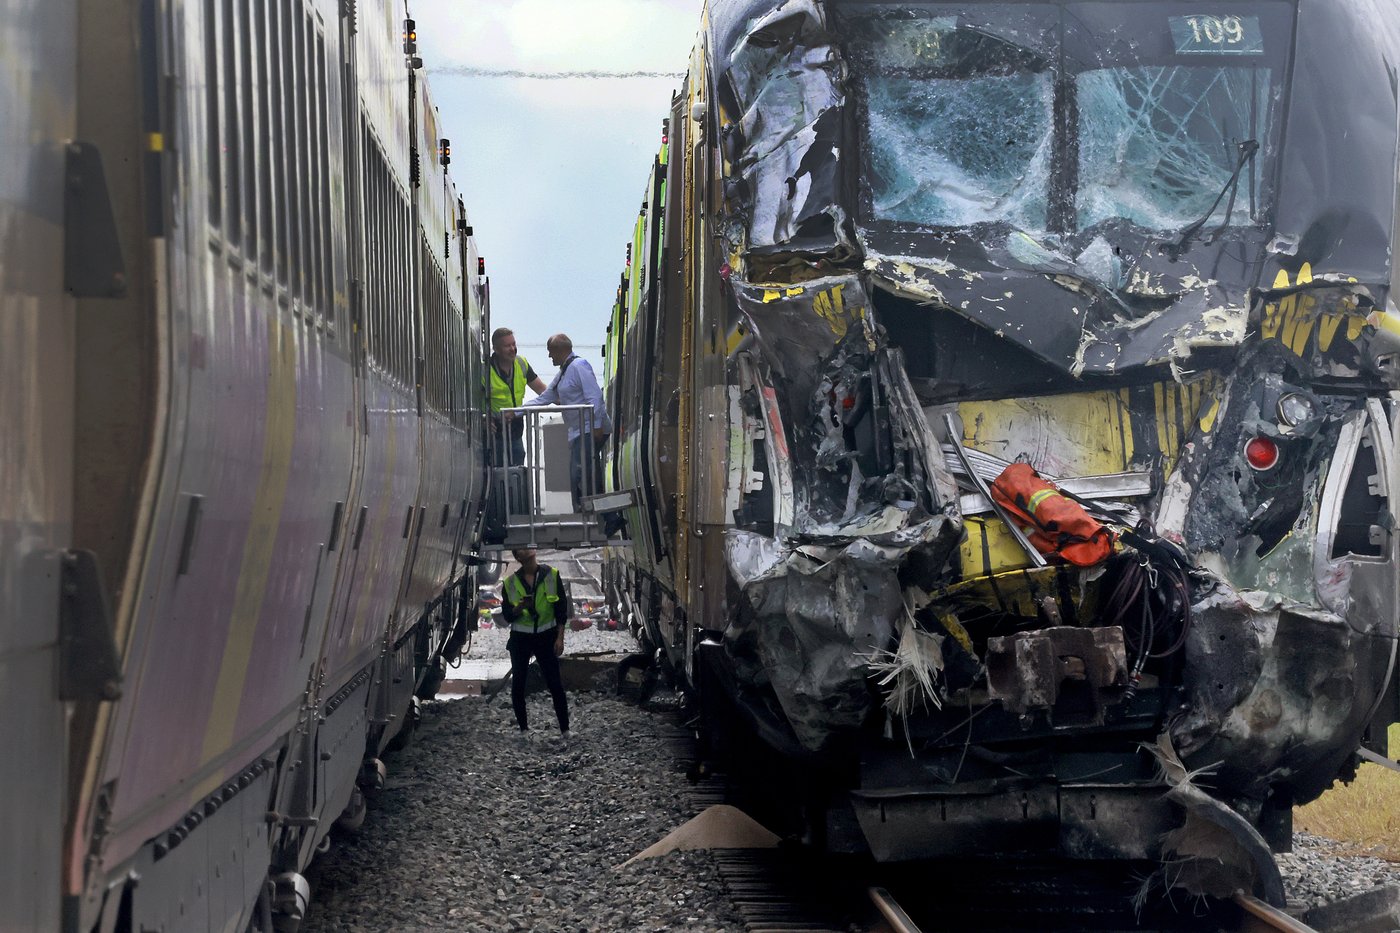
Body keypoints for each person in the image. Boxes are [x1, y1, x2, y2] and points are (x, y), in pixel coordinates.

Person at [525, 334, 612, 512]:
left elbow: (594, 396)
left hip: (589, 428)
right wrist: (517, 412)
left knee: (580, 473)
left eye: (551, 352)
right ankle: (600, 515)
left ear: (560, 350)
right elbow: (545, 398)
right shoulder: (563, 373)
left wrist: (596, 425)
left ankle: (594, 514)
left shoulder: (579, 366)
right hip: (579, 431)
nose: (550, 357)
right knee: (584, 474)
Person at [500, 547, 571, 742]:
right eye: (521, 549)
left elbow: (561, 609)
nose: (527, 548)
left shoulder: (551, 575)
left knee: (555, 683)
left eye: (527, 546)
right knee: (519, 684)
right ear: (518, 557)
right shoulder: (510, 583)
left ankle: (565, 729)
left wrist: (560, 637)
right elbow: (507, 616)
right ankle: (524, 729)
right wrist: (520, 608)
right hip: (521, 639)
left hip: (546, 637)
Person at [488, 327, 547, 467]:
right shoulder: (485, 369)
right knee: (496, 470)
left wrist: (563, 399)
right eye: (507, 346)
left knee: (518, 467)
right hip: (494, 433)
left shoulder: (521, 363)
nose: (513, 349)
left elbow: (543, 391)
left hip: (516, 430)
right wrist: (483, 419)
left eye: (513, 344)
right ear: (496, 349)